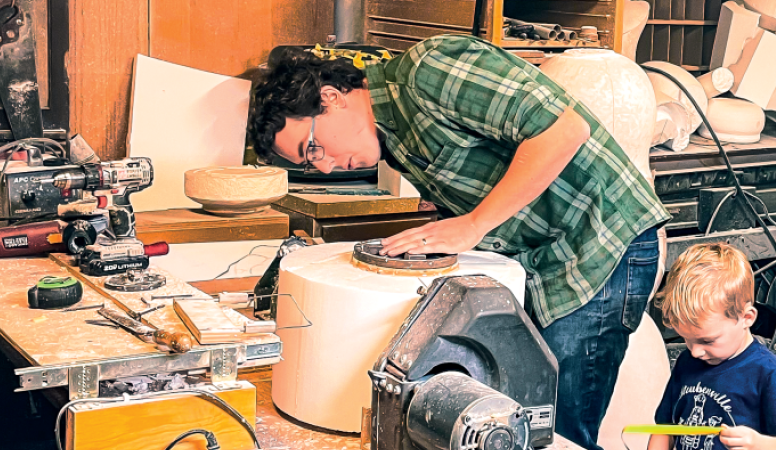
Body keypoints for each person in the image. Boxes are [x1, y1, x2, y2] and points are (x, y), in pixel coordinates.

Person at [249, 34, 670, 449]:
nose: (323, 169)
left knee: (557, 432)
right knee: (513, 422)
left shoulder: (429, 70)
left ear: (332, 97)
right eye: (308, 161)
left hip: (601, 241)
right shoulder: (391, 138)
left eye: (314, 147)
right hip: (544, 256)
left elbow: (564, 130)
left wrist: (473, 224)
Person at [651, 243, 776, 450]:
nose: (695, 351)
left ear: (746, 317)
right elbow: (664, 429)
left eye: (707, 341)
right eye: (687, 339)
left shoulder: (769, 372)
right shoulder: (686, 362)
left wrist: (757, 443)